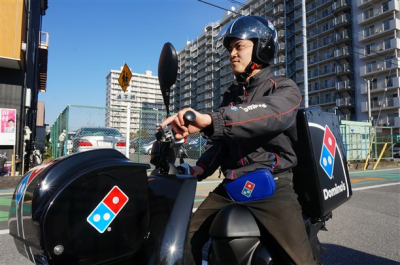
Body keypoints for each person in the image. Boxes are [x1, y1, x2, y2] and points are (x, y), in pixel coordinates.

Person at [159, 16, 316, 264]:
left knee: (300, 260)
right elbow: (222, 143)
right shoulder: (230, 96)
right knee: (183, 238)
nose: (232, 54)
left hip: (272, 183)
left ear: (262, 47)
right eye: (230, 48)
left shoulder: (283, 89)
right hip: (232, 185)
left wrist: (211, 120)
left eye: (239, 46)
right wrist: (201, 167)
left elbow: (269, 115)